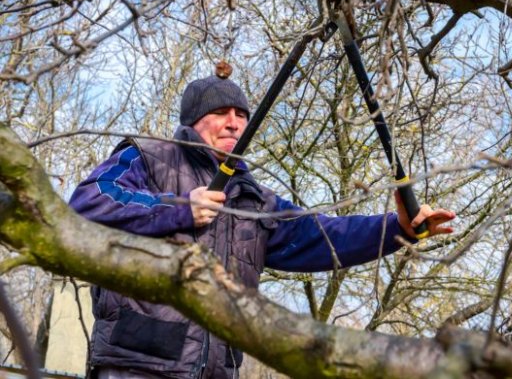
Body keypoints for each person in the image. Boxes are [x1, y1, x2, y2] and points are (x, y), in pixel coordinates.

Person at [69, 65, 456, 379]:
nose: (234, 123)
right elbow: (90, 200)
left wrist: (398, 228)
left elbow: (322, 236)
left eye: (241, 115)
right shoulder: (150, 156)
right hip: (138, 363)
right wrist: (180, 208)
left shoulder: (252, 197)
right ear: (193, 120)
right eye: (220, 112)